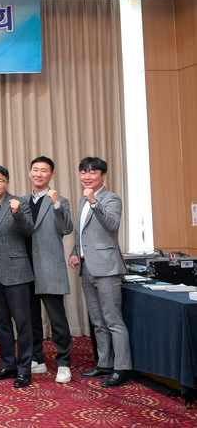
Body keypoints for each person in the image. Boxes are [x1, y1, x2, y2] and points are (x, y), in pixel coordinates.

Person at [69, 157, 132, 388]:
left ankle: (122, 368)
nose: (87, 177)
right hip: (87, 267)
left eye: (92, 172)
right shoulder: (82, 200)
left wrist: (95, 202)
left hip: (107, 268)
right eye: (83, 172)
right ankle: (105, 363)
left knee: (113, 320)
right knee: (97, 321)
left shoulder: (111, 198)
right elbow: (82, 233)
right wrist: (75, 252)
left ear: (103, 175)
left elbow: (112, 225)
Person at [0, 165, 35, 388]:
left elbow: (29, 229)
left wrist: (17, 212)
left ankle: (24, 370)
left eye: (0, 180)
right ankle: (7, 365)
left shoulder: (19, 203)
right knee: (1, 322)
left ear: (7, 182)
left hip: (17, 271)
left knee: (23, 322)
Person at [27, 156, 74, 384]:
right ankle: (37, 359)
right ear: (30, 173)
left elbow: (66, 228)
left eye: (44, 170)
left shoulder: (60, 200)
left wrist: (56, 205)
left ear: (52, 175)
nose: (39, 174)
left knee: (57, 320)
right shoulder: (21, 201)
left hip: (50, 268)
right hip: (26, 269)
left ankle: (64, 363)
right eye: (35, 170)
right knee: (31, 318)